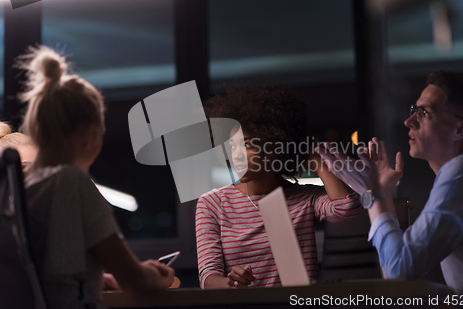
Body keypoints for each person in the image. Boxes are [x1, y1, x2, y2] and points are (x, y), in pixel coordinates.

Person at [0, 46, 175, 309]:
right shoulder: (72, 182)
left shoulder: (24, 191)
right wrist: (160, 276)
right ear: (88, 135)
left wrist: (99, 278)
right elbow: (135, 279)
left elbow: (54, 274)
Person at [316, 70, 463, 295]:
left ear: (460, 129)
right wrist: (379, 191)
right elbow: (396, 273)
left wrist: (373, 195)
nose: (409, 121)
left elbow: (399, 270)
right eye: (414, 110)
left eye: (424, 112)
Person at [196, 83, 361, 289]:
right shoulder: (212, 203)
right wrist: (230, 284)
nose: (236, 155)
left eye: (247, 144)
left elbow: (347, 208)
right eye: (231, 146)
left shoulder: (305, 198)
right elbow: (208, 277)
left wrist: (315, 159)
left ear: (275, 146)